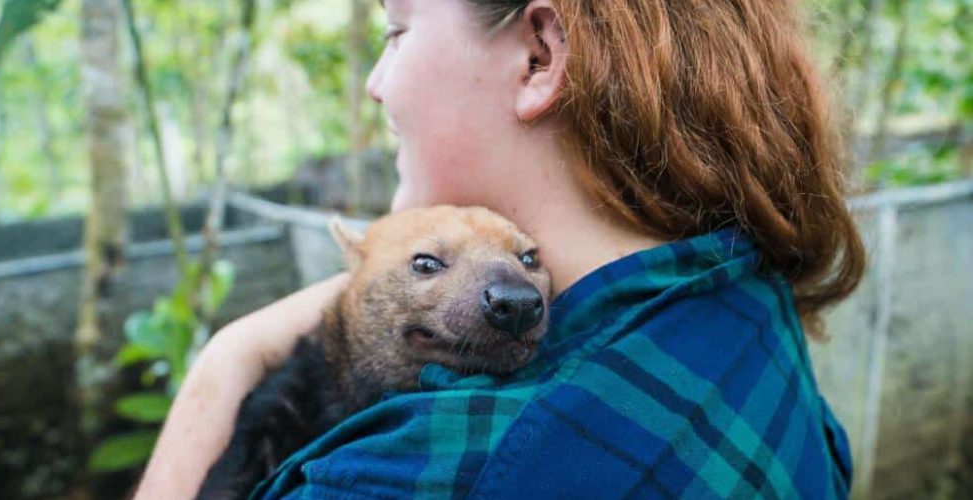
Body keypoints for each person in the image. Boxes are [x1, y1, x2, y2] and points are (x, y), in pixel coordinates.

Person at [135, 0, 864, 498]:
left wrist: (224, 361)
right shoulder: (747, 298)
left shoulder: (393, 473)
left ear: (540, 56)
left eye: (397, 32)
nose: (374, 84)